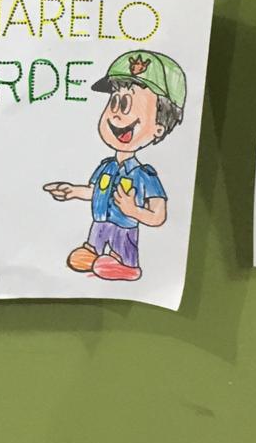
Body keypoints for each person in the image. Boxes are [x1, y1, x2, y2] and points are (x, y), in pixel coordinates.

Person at [43, 50, 186, 281]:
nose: (117, 116)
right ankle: (94, 255)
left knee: (117, 257)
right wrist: (72, 191)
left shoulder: (144, 175)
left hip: (124, 229)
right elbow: (95, 191)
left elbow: (158, 215)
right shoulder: (106, 166)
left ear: (158, 129)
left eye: (128, 105)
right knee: (82, 257)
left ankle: (127, 267)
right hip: (99, 226)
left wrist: (133, 211)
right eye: (115, 103)